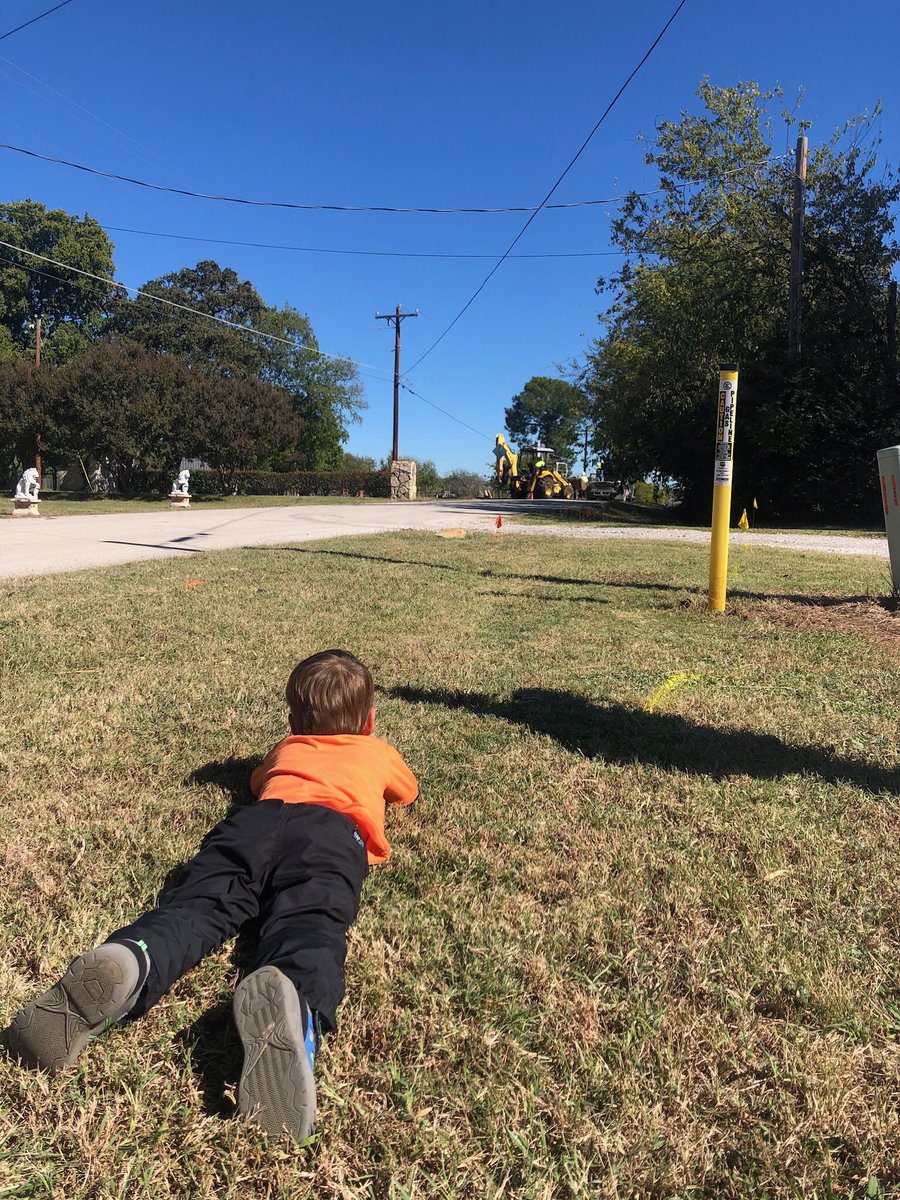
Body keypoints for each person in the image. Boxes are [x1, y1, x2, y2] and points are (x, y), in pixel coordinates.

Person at [4, 650, 418, 1141]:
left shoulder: (287, 748)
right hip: (329, 837)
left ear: (292, 719)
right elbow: (405, 790)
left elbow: (257, 781)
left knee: (197, 906)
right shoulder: (376, 749)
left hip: (256, 824)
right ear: (370, 720)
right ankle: (297, 1004)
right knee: (309, 922)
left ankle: (134, 957)